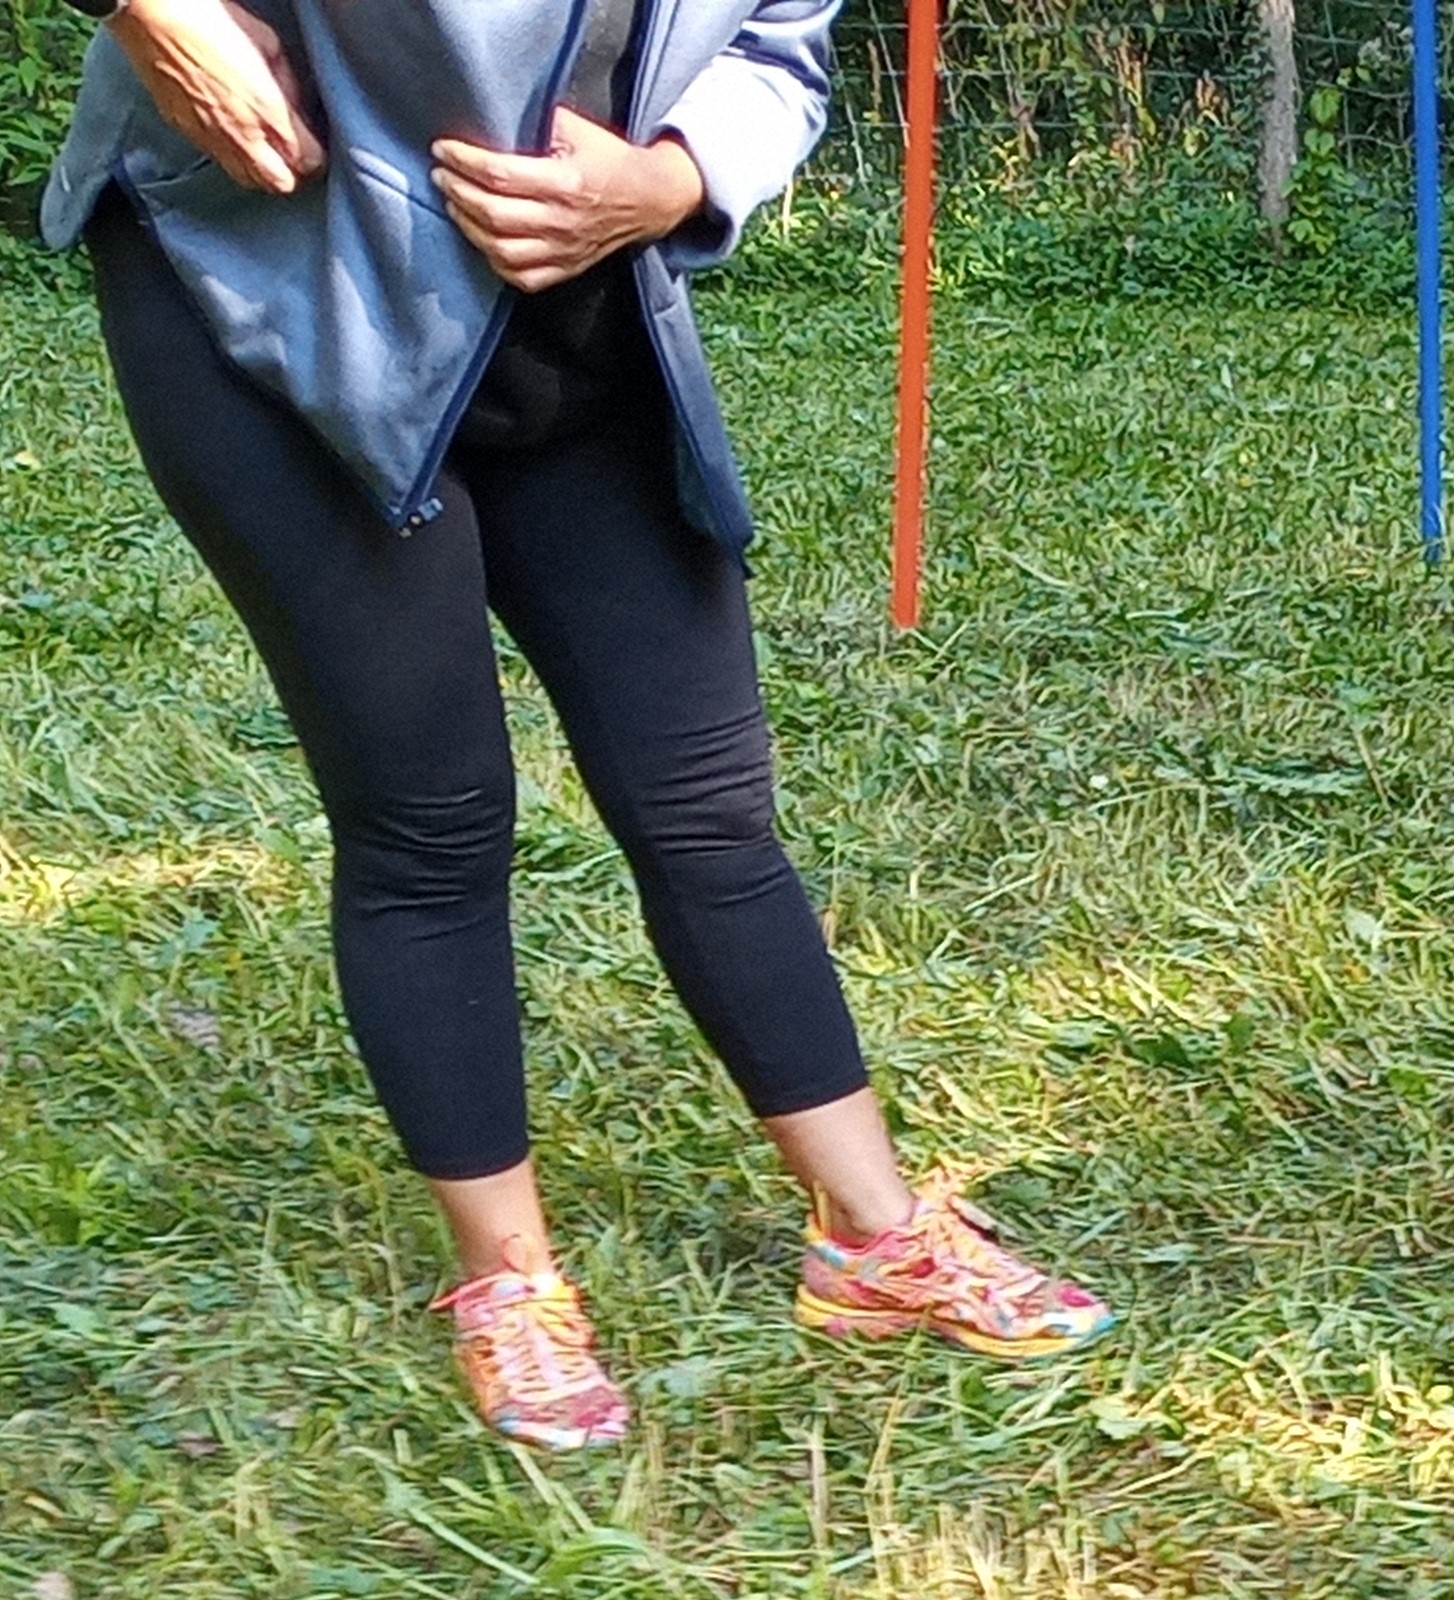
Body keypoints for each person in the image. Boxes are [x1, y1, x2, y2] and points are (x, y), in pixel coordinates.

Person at [38, 0, 1111, 1450]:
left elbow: (778, 47)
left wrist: (668, 180)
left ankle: (873, 1236)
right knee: (430, 815)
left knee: (704, 797)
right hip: (273, 277)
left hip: (578, 298)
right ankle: (510, 1281)